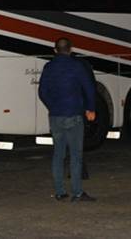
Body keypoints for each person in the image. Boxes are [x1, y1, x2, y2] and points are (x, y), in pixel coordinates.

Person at [38, 37, 96, 202]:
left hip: (55, 117)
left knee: (58, 154)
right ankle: (77, 192)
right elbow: (89, 88)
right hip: (74, 115)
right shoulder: (77, 66)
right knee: (76, 155)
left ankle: (60, 192)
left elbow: (42, 92)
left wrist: (52, 107)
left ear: (55, 50)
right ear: (70, 50)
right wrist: (90, 108)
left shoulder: (48, 67)